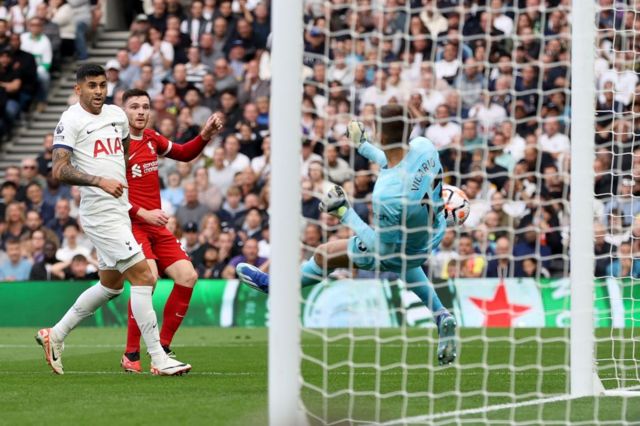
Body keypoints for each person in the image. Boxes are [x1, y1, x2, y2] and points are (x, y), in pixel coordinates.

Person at [237, 105, 458, 365]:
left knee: (324, 255)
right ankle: (441, 315)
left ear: (383, 136)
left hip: (401, 247)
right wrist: (363, 146)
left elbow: (382, 250)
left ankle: (275, 287)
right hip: (430, 233)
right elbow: (398, 161)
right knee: (405, 258)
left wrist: (345, 213)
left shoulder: (387, 194)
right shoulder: (424, 146)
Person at [35, 64, 191, 376]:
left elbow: (122, 153)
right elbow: (59, 169)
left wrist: (121, 184)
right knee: (145, 277)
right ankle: (158, 358)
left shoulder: (117, 115)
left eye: (102, 85)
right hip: (100, 212)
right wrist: (99, 180)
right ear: (78, 89)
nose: (98, 91)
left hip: (119, 209)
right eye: (91, 86)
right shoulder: (70, 119)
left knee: (111, 286)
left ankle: (56, 334)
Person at [121, 88, 223, 373]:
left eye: (145, 106)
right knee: (148, 279)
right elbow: (111, 194)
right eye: (134, 107)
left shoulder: (152, 138)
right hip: (133, 224)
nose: (141, 112)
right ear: (123, 111)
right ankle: (131, 353)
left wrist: (204, 135)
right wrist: (143, 213)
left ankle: (163, 348)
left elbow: (183, 153)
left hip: (157, 225)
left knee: (188, 276)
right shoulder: (118, 145)